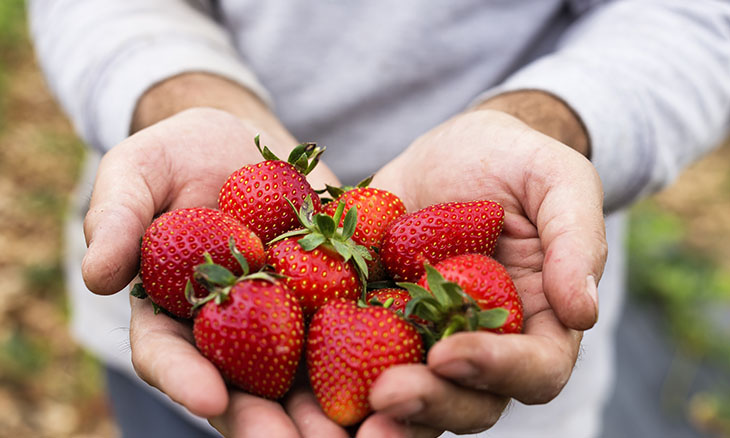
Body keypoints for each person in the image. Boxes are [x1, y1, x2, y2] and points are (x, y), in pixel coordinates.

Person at [28, 1, 730, 437]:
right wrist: (180, 94)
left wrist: (547, 122)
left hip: (502, 394)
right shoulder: (254, 260)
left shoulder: (375, 269)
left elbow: (696, 16)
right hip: (176, 376)